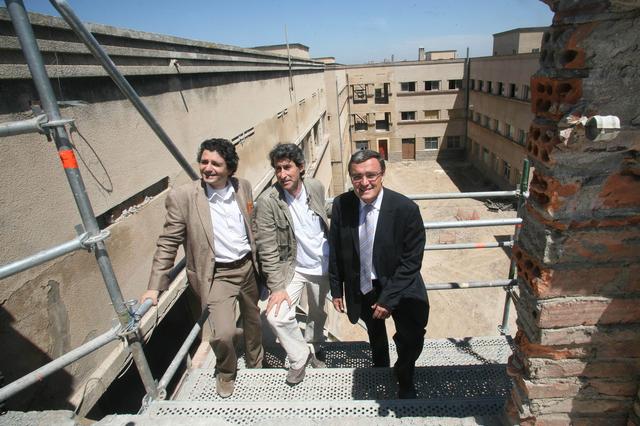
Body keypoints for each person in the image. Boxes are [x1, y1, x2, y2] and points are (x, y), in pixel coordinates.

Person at [140, 138, 263, 398]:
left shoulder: (243, 187)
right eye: (204, 162)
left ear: (230, 168)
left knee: (253, 321)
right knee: (224, 333)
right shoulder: (184, 197)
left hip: (247, 268)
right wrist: (154, 286)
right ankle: (226, 372)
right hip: (217, 275)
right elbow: (168, 242)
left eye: (216, 164)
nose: (208, 168)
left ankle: (256, 362)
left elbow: (251, 225)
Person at [329, 149, 429, 399]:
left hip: (400, 286)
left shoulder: (406, 209)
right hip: (364, 285)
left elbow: (411, 261)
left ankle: (404, 374)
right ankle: (381, 369)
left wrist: (388, 299)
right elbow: (336, 249)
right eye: (357, 177)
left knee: (411, 337)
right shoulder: (342, 205)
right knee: (375, 334)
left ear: (382, 174)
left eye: (371, 175)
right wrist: (336, 288)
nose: (364, 183)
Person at [254, 143, 329, 385]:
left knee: (317, 312)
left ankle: (315, 344)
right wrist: (276, 287)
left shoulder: (315, 186)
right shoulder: (268, 201)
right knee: (277, 316)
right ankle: (299, 356)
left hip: (323, 264)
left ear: (301, 167)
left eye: (288, 167)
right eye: (278, 169)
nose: (283, 174)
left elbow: (323, 212)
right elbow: (267, 247)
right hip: (291, 268)